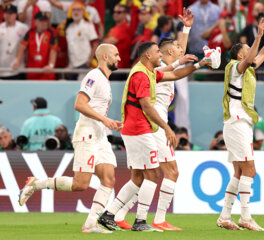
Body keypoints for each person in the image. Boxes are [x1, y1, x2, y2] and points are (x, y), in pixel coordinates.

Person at [97, 41, 211, 232]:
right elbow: (147, 106)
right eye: (158, 52)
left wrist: (199, 65)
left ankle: (110, 215)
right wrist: (166, 127)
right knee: (153, 174)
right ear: (148, 56)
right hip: (140, 130)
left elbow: (174, 74)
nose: (161, 54)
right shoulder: (141, 75)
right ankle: (140, 221)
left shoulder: (146, 72)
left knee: (138, 177)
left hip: (135, 129)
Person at [18, 44, 123, 234]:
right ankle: (37, 184)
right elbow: (79, 104)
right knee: (80, 184)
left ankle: (91, 223)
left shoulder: (105, 80)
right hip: (87, 134)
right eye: (116, 55)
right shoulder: (94, 76)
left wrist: (109, 123)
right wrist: (105, 119)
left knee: (109, 178)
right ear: (105, 57)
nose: (120, 58)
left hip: (99, 135)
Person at [113, 10, 195, 231]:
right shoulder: (154, 69)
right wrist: (166, 128)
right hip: (154, 126)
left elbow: (179, 64)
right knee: (169, 172)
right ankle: (158, 219)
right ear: (168, 52)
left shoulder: (160, 67)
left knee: (141, 176)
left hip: (150, 126)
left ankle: (117, 214)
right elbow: (177, 68)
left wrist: (186, 30)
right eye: (177, 49)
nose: (181, 50)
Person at [217, 16, 264, 231]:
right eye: (248, 48)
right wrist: (259, 35)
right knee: (250, 170)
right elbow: (254, 54)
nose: (252, 51)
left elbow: (262, 54)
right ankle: (245, 217)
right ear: (240, 54)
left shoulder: (248, 68)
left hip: (240, 123)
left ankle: (225, 216)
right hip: (237, 123)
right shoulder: (234, 67)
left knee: (238, 172)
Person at [12, 11, 58, 80]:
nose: (44, 23)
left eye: (46, 21)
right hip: (31, 73)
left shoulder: (52, 33)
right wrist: (18, 61)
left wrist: (51, 65)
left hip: (46, 73)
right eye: (41, 21)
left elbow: (53, 50)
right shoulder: (30, 33)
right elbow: (22, 46)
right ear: (35, 22)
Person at [239, 2, 264, 81]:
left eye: (262, 10)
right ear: (252, 12)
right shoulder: (248, 28)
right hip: (251, 63)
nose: (260, 12)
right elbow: (242, 43)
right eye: (257, 10)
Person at [64, 1, 98, 80]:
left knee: (82, 88)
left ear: (83, 12)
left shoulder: (88, 25)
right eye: (74, 10)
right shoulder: (68, 28)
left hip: (84, 63)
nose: (76, 12)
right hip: (72, 65)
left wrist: (90, 60)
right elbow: (69, 47)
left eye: (79, 10)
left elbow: (95, 44)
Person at [0, 5, 28, 80]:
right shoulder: (0, 28)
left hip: (18, 69)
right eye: (6, 13)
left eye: (10, 13)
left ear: (15, 15)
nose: (7, 16)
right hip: (2, 69)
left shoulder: (23, 28)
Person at [103, 4, 132, 69]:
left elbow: (107, 43)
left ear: (125, 14)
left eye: (119, 12)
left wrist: (103, 41)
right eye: (114, 12)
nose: (115, 14)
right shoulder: (114, 28)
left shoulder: (125, 28)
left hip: (120, 66)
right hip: (111, 65)